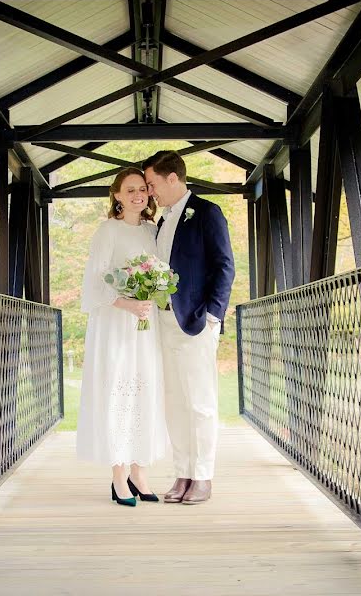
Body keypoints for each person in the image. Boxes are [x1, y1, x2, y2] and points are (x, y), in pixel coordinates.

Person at [143, 151, 235, 505]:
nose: (151, 192)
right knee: (174, 403)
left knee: (200, 402)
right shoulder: (164, 221)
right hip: (163, 322)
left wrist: (213, 315)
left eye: (152, 184)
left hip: (196, 322)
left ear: (172, 178)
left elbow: (225, 265)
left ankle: (203, 476)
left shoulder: (207, 213)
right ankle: (182, 472)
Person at [76, 168, 168, 507]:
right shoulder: (108, 231)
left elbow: (162, 272)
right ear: (116, 195)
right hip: (115, 323)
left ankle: (140, 471)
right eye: (129, 190)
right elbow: (93, 281)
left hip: (145, 324)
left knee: (146, 391)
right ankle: (118, 476)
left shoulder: (152, 231)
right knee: (119, 392)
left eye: (142, 189)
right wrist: (126, 303)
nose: (137, 195)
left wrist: (151, 296)